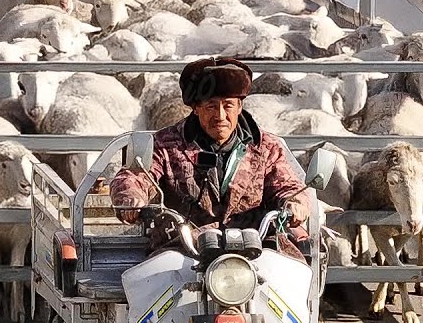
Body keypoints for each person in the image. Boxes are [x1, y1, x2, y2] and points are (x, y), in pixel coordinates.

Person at [109, 56, 311, 261]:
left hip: (257, 247)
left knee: (291, 282)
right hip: (183, 249)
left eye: (228, 105)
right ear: (196, 108)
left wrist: (295, 203)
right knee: (156, 281)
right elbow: (136, 175)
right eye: (211, 106)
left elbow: (288, 185)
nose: (221, 115)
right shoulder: (165, 145)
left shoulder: (266, 147)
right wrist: (131, 197)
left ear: (240, 106)